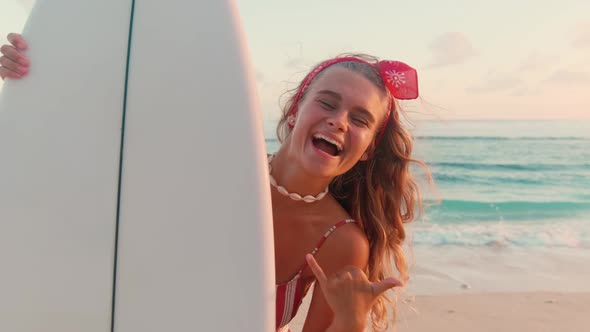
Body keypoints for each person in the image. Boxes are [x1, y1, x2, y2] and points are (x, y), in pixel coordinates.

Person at [1, 33, 430, 332]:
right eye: (328, 102)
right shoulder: (215, 169)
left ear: (370, 147)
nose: (339, 120)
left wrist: (351, 322)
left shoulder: (340, 240)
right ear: (297, 109)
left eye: (359, 119)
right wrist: (40, 75)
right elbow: (106, 146)